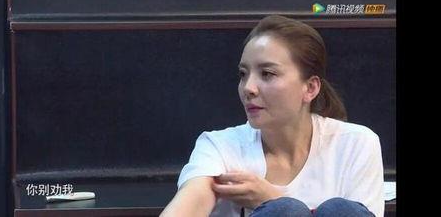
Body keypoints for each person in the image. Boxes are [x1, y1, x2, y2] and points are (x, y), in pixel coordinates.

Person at [160, 15, 384, 217]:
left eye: (267, 74)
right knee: (284, 211)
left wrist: (269, 198)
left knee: (338, 210)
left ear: (310, 88)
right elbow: (191, 202)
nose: (248, 88)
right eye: (243, 74)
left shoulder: (356, 143)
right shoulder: (220, 146)